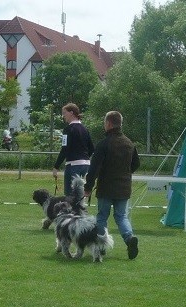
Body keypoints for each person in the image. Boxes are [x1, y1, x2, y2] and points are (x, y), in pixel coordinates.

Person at [84, 111, 140, 260]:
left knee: (102, 217)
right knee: (122, 216)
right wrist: (125, 174)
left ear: (108, 124)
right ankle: (129, 238)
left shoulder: (104, 144)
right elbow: (136, 164)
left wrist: (88, 187)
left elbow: (94, 167)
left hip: (106, 187)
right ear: (120, 123)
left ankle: (101, 246)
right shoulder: (129, 143)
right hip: (124, 187)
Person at [53, 103, 94, 196]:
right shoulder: (85, 129)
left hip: (73, 165)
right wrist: (85, 157)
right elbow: (92, 148)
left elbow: (64, 149)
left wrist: (56, 166)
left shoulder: (68, 129)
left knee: (70, 196)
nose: (63, 116)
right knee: (80, 195)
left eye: (64, 113)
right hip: (86, 164)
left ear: (71, 113)